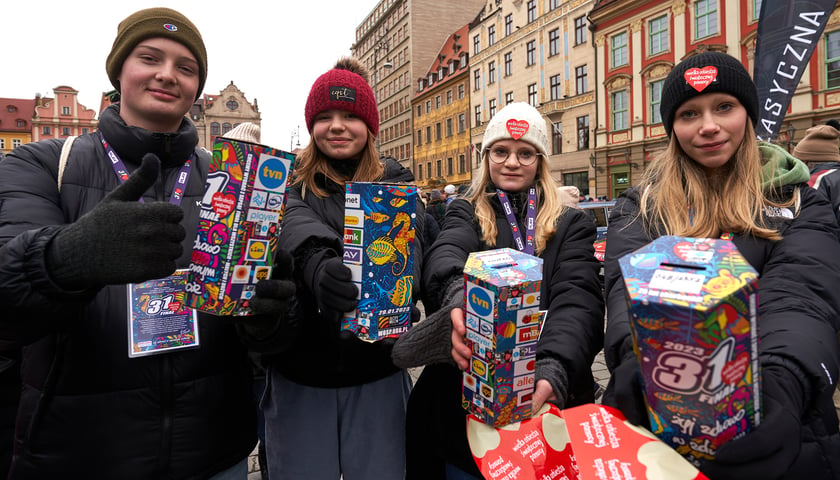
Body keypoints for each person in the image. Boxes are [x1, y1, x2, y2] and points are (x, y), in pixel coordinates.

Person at [0, 8, 295, 478]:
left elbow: (258, 337)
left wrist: (266, 322)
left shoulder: (227, 181)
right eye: (150, 57)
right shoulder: (41, 164)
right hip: (79, 454)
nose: (167, 75)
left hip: (214, 453)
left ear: (197, 87)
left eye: (186, 67)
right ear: (119, 70)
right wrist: (65, 258)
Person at [602, 51, 840, 479]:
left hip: (782, 433)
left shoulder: (797, 201)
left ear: (747, 114)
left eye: (724, 107)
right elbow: (624, 293)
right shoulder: (640, 208)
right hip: (658, 432)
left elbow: (803, 297)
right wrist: (636, 362)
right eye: (689, 113)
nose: (708, 126)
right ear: (673, 129)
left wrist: (782, 382)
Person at [392, 102, 604, 479]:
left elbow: (579, 298)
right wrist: (460, 299)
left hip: (546, 404)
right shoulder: (466, 212)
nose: (511, 162)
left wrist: (555, 366)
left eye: (525, 153)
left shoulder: (571, 224)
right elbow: (446, 255)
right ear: (486, 156)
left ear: (540, 161)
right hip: (470, 404)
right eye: (500, 151)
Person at [260, 57, 424, 480]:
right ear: (311, 126)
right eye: (325, 116)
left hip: (376, 373)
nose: (337, 126)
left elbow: (419, 249)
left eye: (350, 116)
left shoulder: (397, 185)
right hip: (302, 373)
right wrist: (318, 264)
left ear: (370, 126)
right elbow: (291, 222)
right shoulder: (286, 184)